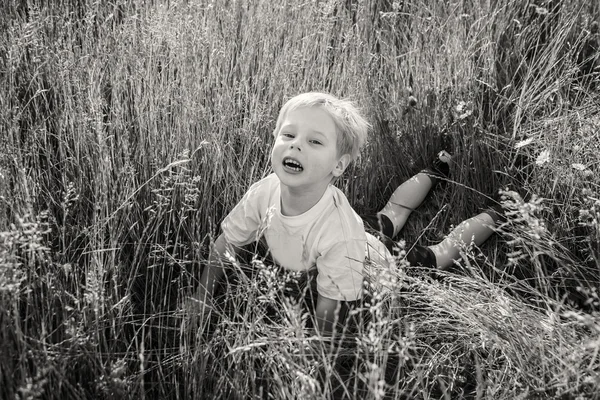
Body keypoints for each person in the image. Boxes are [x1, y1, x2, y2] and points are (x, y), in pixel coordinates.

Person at [184, 92, 502, 335]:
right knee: (394, 211)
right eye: (289, 135)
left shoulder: (336, 229)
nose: (296, 147)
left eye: (314, 141)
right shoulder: (264, 191)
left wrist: (316, 351)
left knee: (438, 256)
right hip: (359, 231)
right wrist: (201, 297)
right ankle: (437, 167)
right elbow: (225, 243)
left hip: (375, 266)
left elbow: (328, 309)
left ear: (338, 165)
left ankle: (500, 213)